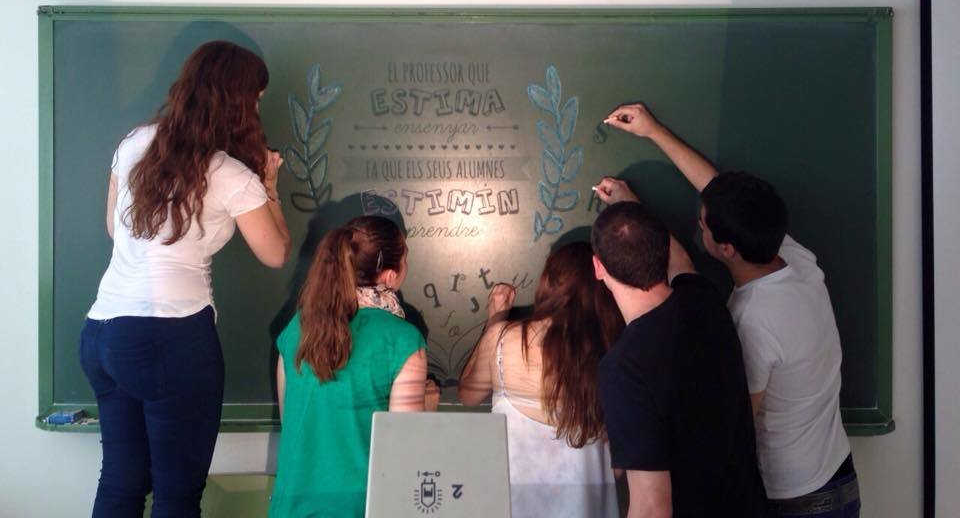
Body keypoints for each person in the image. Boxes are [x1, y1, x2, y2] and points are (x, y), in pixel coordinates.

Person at [600, 101, 860, 517]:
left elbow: (734, 425)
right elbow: (719, 195)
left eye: (702, 225)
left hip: (793, 501)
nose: (697, 223)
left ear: (726, 248)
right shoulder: (796, 263)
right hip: (838, 478)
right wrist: (653, 131)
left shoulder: (751, 323)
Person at [79, 41, 292, 518]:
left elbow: (115, 228)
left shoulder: (134, 143)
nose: (258, 111)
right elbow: (276, 253)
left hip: (102, 332)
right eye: (256, 100)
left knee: (120, 484)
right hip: (169, 338)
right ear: (238, 101)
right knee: (176, 495)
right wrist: (269, 189)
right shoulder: (232, 174)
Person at [590, 200, 767, 518]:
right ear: (663, 251)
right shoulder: (704, 299)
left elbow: (651, 507)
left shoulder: (623, 368)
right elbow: (681, 261)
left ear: (598, 267)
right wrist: (630, 203)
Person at [270, 215, 428, 518]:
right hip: (359, 507)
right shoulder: (403, 340)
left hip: (291, 506)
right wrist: (427, 406)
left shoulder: (295, 329)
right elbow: (404, 450)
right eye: (405, 258)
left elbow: (294, 423)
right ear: (389, 275)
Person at [459, 242, 624, 518]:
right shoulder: (616, 349)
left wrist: (495, 319)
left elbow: (467, 395)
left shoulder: (504, 339)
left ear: (548, 281)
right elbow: (620, 463)